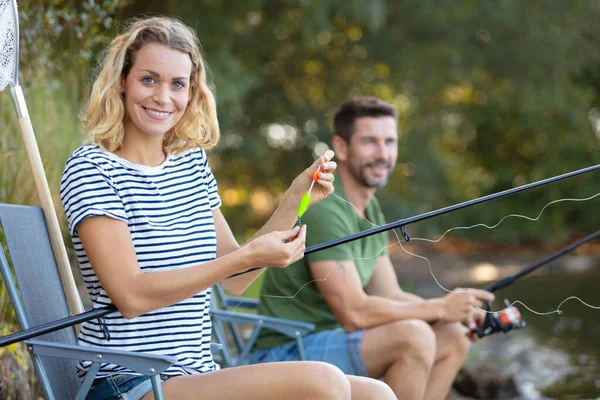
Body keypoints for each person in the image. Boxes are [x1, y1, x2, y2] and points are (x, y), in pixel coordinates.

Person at [60, 18, 396, 400]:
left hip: (196, 372)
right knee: (325, 383)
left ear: (192, 91)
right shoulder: (92, 169)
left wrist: (293, 199)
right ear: (123, 81)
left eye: (177, 84)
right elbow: (131, 297)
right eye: (149, 79)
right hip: (127, 380)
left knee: (377, 394)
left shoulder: (189, 164)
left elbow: (236, 277)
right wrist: (243, 259)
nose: (163, 97)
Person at [250, 96, 496, 400]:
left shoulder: (371, 209)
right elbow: (354, 313)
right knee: (413, 337)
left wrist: (452, 314)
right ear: (341, 147)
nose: (383, 153)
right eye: (370, 142)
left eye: (389, 142)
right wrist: (438, 308)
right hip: (287, 352)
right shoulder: (326, 207)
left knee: (454, 337)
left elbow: (389, 294)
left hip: (335, 343)